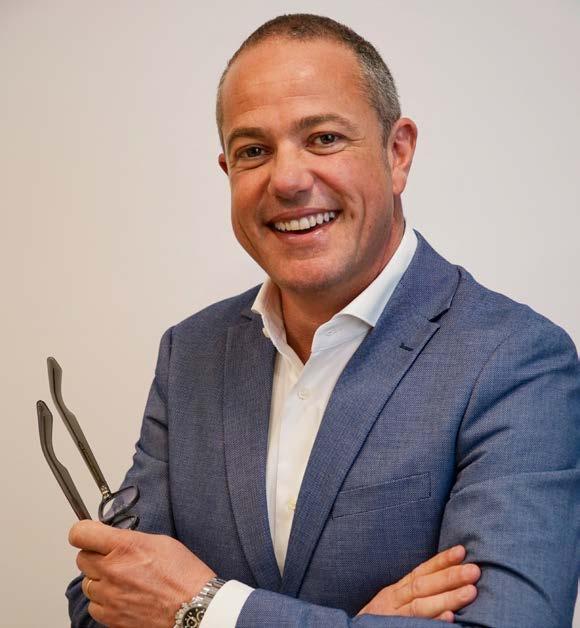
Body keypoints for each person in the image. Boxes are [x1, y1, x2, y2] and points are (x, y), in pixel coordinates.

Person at [66, 14, 579, 628]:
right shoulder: (191, 354)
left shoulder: (517, 360)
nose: (286, 179)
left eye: (324, 139)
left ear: (397, 153)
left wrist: (206, 608)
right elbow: (102, 603)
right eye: (254, 151)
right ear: (228, 172)